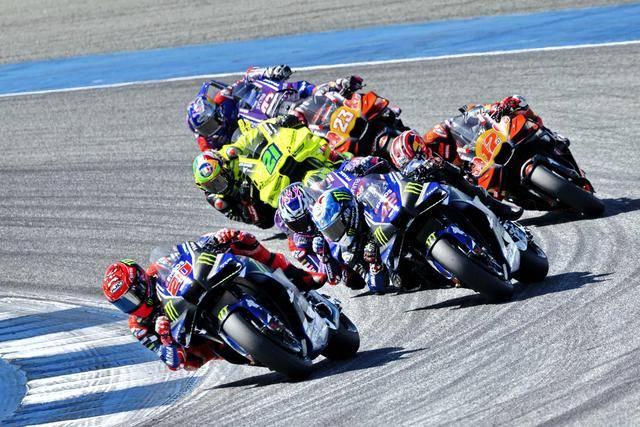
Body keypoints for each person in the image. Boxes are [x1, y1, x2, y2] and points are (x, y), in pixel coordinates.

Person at [101, 228, 326, 371]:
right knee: (193, 360)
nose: (131, 305)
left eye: (130, 297)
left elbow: (188, 250)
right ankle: (261, 350)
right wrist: (166, 339)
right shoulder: (138, 326)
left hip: (203, 288)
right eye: (123, 303)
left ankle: (299, 276)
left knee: (241, 241)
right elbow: (172, 363)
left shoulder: (158, 268)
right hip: (197, 331)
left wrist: (214, 239)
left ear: (141, 282)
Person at [193, 117, 347, 228]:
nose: (217, 186)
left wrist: (277, 122)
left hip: (265, 173)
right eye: (211, 186)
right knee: (281, 222)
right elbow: (255, 221)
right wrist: (247, 202)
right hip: (259, 205)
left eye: (218, 180)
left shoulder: (226, 157)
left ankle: (340, 163)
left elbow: (244, 140)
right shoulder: (218, 200)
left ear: (223, 167)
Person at [186, 64, 364, 151]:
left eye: (212, 122)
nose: (213, 128)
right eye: (207, 128)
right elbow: (211, 160)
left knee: (315, 90)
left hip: (282, 106)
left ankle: (340, 88)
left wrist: (269, 72)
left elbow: (248, 76)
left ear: (217, 111)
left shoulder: (224, 98)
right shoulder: (207, 142)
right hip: (270, 139)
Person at [388, 129, 523, 220]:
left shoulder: (433, 140)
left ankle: (497, 207)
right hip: (431, 202)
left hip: (461, 179)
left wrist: (442, 165)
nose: (414, 165)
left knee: (465, 184)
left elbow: (451, 127)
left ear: (420, 147)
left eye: (414, 160)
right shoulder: (404, 178)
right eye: (407, 165)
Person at [275, 182, 366, 290]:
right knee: (351, 279)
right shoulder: (298, 247)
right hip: (336, 252)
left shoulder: (318, 195)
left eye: (304, 219)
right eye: (295, 223)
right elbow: (330, 279)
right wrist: (323, 256)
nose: (302, 227)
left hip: (343, 227)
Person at [310, 186, 391, 293]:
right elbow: (376, 287)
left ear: (348, 213)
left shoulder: (368, 202)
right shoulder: (348, 253)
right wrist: (374, 263)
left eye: (337, 227)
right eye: (330, 231)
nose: (335, 234)